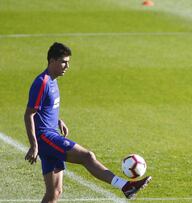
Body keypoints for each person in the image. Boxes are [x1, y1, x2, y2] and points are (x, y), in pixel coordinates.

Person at [24, 42, 151, 202]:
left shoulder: (53, 81)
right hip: (46, 138)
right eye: (64, 62)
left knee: (54, 193)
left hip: (50, 135)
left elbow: (44, 108)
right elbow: (29, 114)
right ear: (52, 61)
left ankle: (126, 187)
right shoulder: (42, 82)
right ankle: (126, 186)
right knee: (87, 156)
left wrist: (57, 120)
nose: (67, 66)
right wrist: (34, 145)